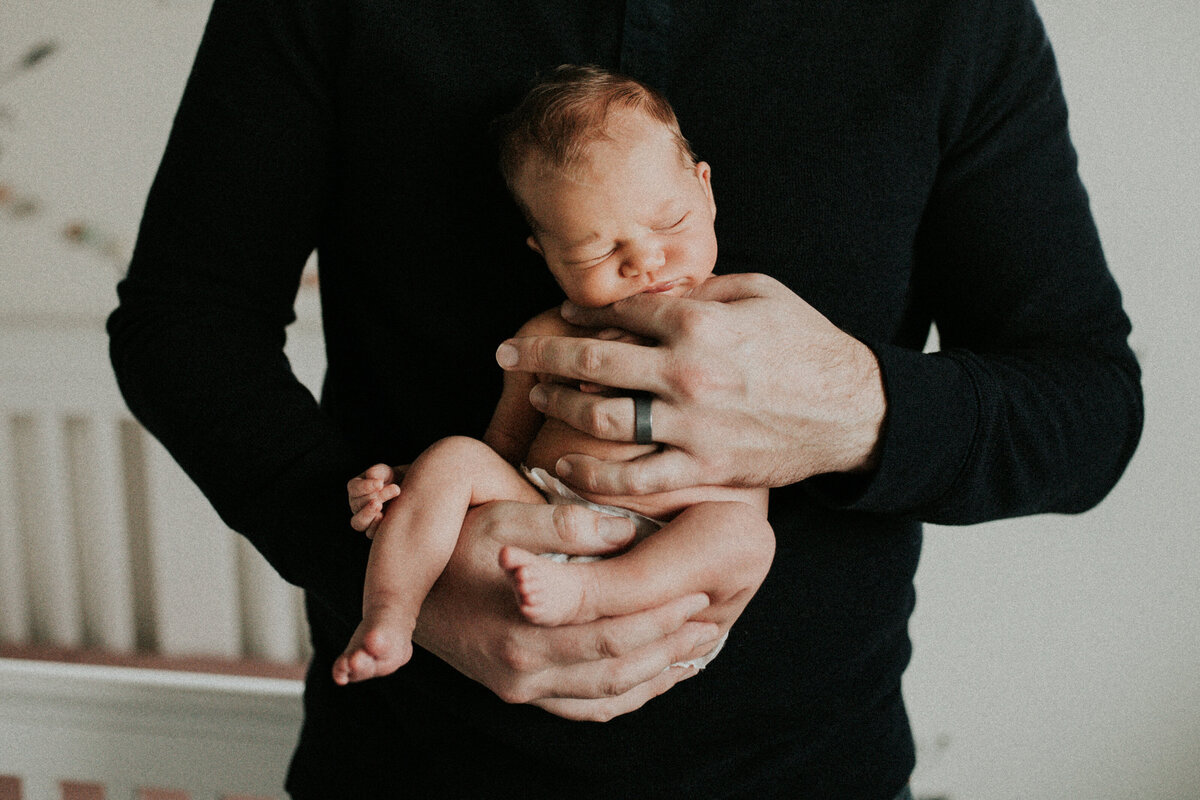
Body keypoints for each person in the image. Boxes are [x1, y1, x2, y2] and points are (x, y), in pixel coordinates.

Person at [107, 1, 1143, 798]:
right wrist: (384, 572)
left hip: (811, 770)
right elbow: (183, 322)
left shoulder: (951, 18)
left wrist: (851, 405)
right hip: (415, 763)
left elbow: (1087, 405)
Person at [333, 66, 774, 685]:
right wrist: (418, 490)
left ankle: (593, 592)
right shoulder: (544, 339)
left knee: (744, 535)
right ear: (545, 252)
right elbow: (503, 453)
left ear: (705, 192)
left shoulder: (748, 321)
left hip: (680, 551)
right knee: (454, 458)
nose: (645, 261)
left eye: (670, 223)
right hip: (542, 518)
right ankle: (389, 616)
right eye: (595, 251)